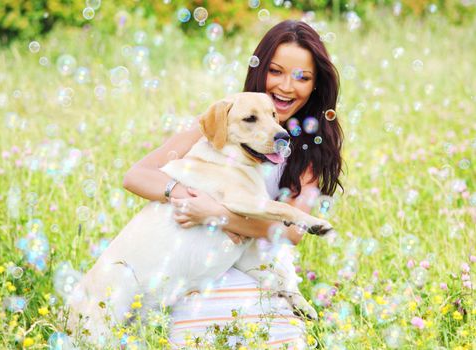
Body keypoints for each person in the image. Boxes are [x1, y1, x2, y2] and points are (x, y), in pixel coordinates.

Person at [122, 19, 343, 348]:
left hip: (260, 269)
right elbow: (136, 175)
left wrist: (217, 215)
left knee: (279, 339)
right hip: (196, 265)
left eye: (302, 77)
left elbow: (293, 231)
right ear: (259, 70)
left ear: (315, 85)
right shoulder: (224, 122)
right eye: (276, 71)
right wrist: (185, 196)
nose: (285, 86)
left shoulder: (309, 151)